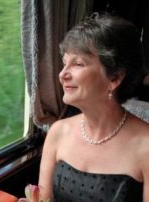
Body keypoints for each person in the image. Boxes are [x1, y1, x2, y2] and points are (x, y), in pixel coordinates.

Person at [37, 13, 149, 202]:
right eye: (65, 63)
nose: (62, 74)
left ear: (114, 78)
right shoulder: (58, 132)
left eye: (78, 64)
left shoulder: (145, 146)